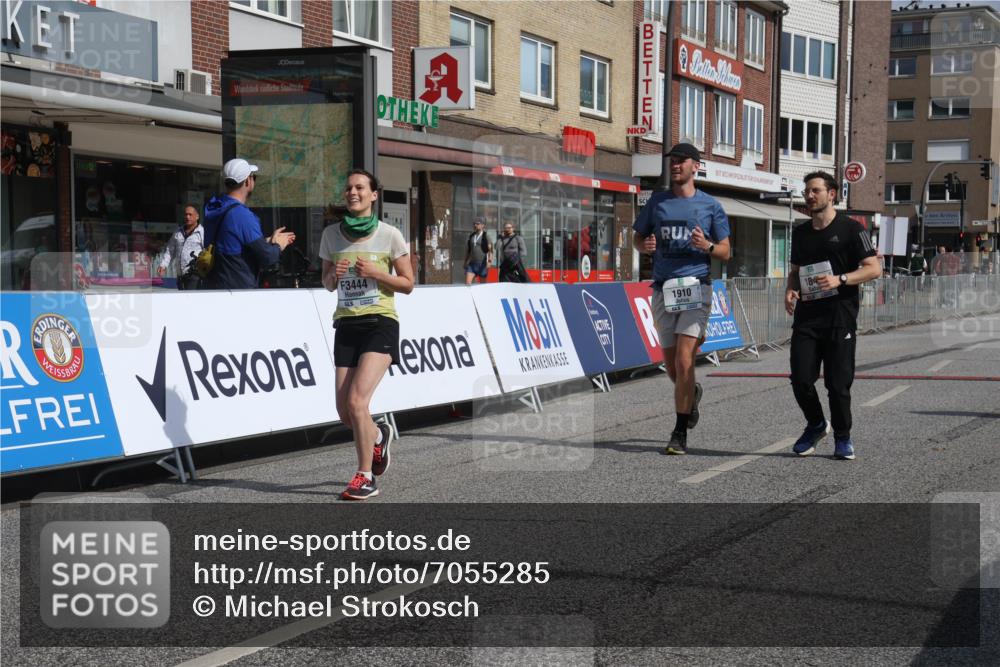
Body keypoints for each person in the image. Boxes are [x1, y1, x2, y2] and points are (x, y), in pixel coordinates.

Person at [632, 142, 731, 455]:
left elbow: (726, 251)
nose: (674, 165)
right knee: (672, 367)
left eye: (681, 161)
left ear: (695, 166)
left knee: (684, 359)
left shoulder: (711, 206)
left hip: (696, 288)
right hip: (663, 289)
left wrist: (707, 246)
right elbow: (638, 237)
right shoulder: (658, 203)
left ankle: (679, 432)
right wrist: (643, 246)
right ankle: (692, 394)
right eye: (672, 161)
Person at [320, 169, 414, 500]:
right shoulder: (332, 235)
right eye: (348, 188)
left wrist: (376, 273)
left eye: (360, 187)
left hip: (380, 324)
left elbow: (408, 284)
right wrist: (334, 274)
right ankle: (377, 436)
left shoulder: (390, 235)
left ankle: (364, 476)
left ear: (374, 195)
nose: (352, 192)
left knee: (359, 401)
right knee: (345, 412)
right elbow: (327, 283)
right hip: (347, 324)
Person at [785, 171, 881, 461]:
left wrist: (840, 279)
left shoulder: (852, 229)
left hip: (840, 316)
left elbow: (873, 268)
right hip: (807, 317)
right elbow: (795, 271)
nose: (809, 195)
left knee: (837, 384)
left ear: (832, 194)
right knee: (801, 379)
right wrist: (790, 291)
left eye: (815, 190)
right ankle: (816, 424)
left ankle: (843, 437)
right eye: (806, 191)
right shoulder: (801, 232)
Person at [202, 158, 295, 289]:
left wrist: (267, 241)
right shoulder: (241, 215)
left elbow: (231, 243)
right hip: (238, 292)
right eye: (253, 177)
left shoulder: (216, 206)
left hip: (216, 287)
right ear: (247, 181)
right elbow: (267, 257)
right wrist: (279, 245)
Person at [157, 204, 204, 290]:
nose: (187, 217)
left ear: (197, 216)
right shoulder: (178, 232)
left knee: (191, 300)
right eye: (186, 214)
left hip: (195, 275)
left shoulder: (202, 232)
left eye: (190, 214)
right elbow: (170, 250)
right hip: (180, 275)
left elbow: (207, 252)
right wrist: (163, 265)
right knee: (182, 300)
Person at [463, 217, 492, 285]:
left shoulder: (486, 235)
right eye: (474, 224)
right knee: (468, 284)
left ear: (482, 225)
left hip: (482, 264)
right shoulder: (471, 236)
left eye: (477, 224)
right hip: (472, 264)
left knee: (482, 286)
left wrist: (490, 261)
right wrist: (465, 262)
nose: (475, 225)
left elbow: (490, 250)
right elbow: (468, 250)